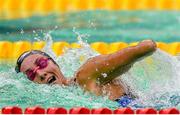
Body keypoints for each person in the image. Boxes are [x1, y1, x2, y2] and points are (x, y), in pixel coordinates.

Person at [15, 40, 156, 107]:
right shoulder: (56, 103)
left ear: (55, 63)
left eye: (41, 63)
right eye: (31, 75)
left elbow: (146, 47)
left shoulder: (86, 75)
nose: (40, 73)